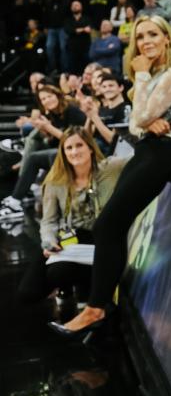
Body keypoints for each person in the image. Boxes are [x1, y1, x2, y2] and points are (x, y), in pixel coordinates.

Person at [50, 16, 171, 336]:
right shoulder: (156, 75)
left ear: (167, 39)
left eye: (152, 34)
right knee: (108, 224)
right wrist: (145, 117)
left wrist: (142, 82)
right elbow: (135, 125)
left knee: (108, 224)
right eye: (140, 37)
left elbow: (140, 116)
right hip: (147, 150)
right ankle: (99, 305)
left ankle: (95, 308)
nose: (145, 41)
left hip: (165, 153)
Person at [17, 128, 128, 305]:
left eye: (79, 146)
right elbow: (49, 221)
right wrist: (49, 241)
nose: (74, 151)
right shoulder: (55, 180)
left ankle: (85, 291)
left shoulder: (111, 168)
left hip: (100, 238)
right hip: (70, 237)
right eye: (69, 148)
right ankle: (69, 285)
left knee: (60, 272)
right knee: (27, 294)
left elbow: (142, 160)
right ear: (63, 152)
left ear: (90, 148)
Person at [0, 85, 87, 221]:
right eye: (43, 99)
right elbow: (55, 142)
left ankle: (62, 207)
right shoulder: (52, 114)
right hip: (63, 150)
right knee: (35, 153)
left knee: (52, 154)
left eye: (49, 97)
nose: (47, 100)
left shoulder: (72, 111)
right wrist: (46, 133)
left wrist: (49, 128)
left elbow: (75, 140)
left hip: (82, 151)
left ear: (57, 95)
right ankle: (17, 199)